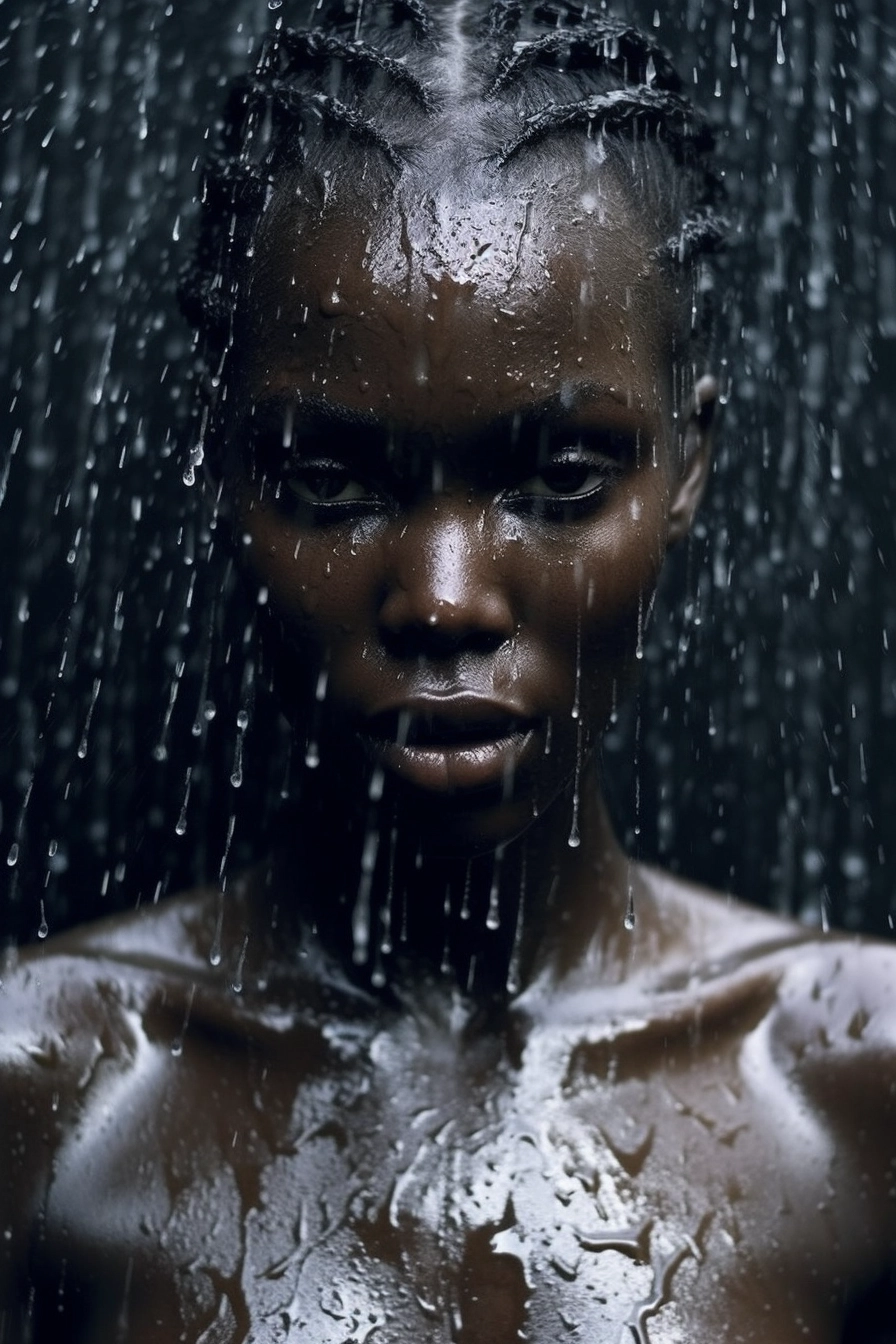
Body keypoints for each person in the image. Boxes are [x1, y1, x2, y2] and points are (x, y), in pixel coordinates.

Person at [1, 1, 894, 1339]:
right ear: (217, 460)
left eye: (559, 480)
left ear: (690, 464)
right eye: (331, 479)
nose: (445, 600)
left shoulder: (856, 1085)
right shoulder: (46, 1089)